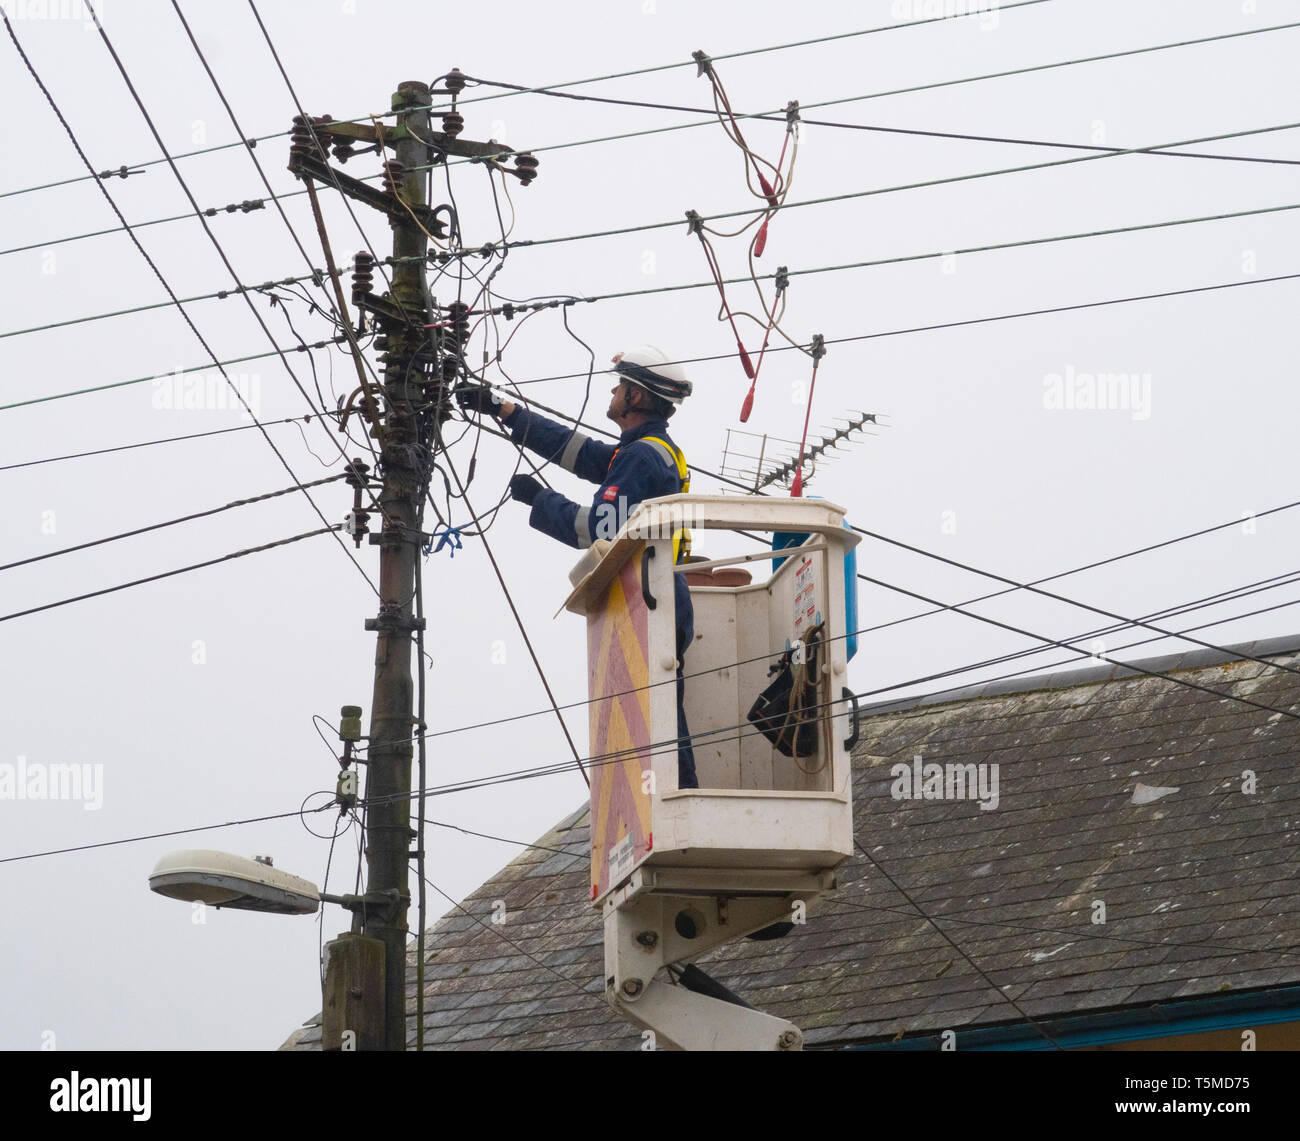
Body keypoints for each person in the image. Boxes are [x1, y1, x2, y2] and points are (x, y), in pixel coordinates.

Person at [456, 345, 699, 789]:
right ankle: (678, 801)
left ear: (636, 399)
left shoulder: (640, 458)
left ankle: (680, 804)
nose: (613, 390)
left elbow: (598, 529)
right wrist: (503, 410)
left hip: (652, 599)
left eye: (621, 385)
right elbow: (581, 453)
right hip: (662, 596)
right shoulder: (649, 450)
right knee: (662, 718)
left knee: (660, 723)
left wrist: (539, 499)